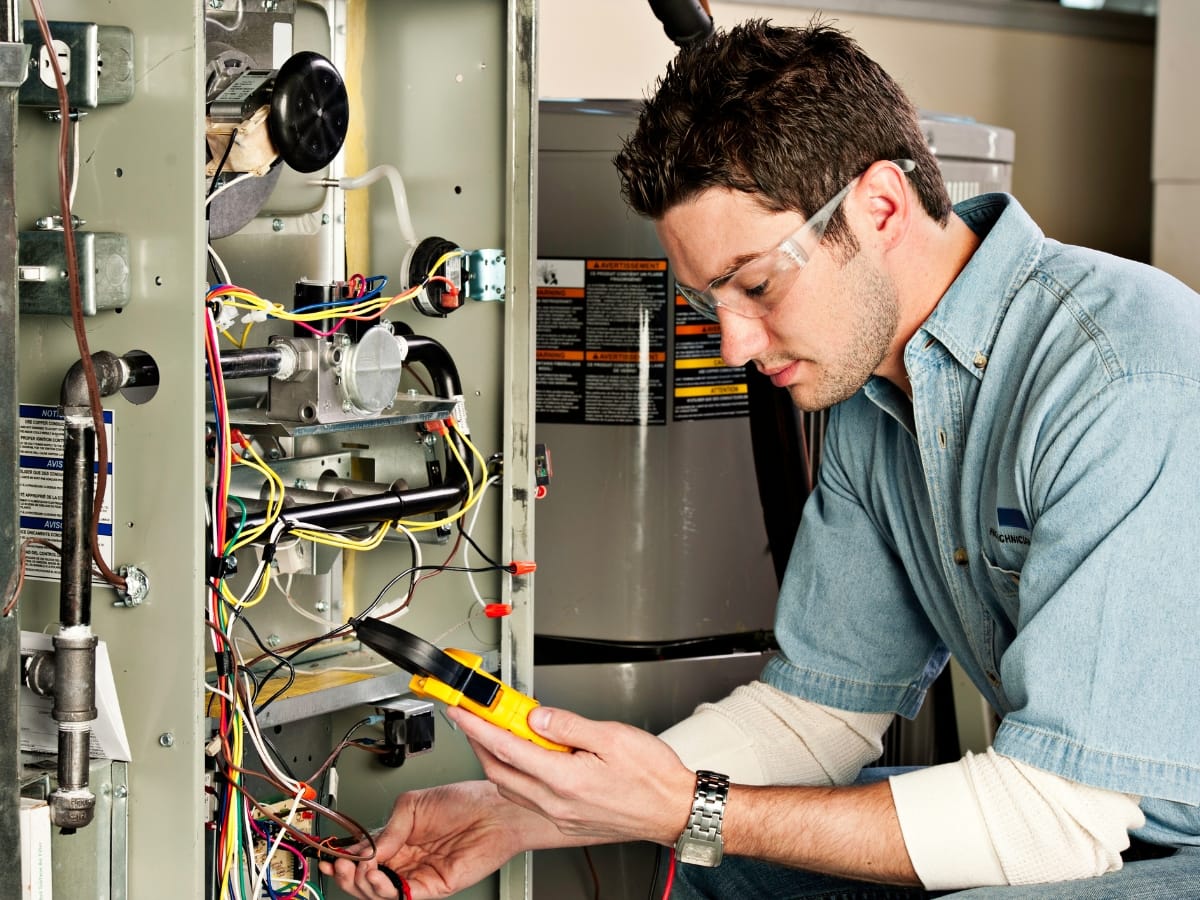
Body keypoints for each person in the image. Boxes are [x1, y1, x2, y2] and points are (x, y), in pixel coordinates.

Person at [323, 19, 1200, 899]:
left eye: (757, 285)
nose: (736, 345)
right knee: (724, 862)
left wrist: (685, 807)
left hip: (1138, 830)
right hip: (1104, 824)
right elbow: (821, 715)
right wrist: (525, 813)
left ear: (882, 207)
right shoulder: (878, 396)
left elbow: (1060, 820)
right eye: (712, 302)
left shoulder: (1120, 376)